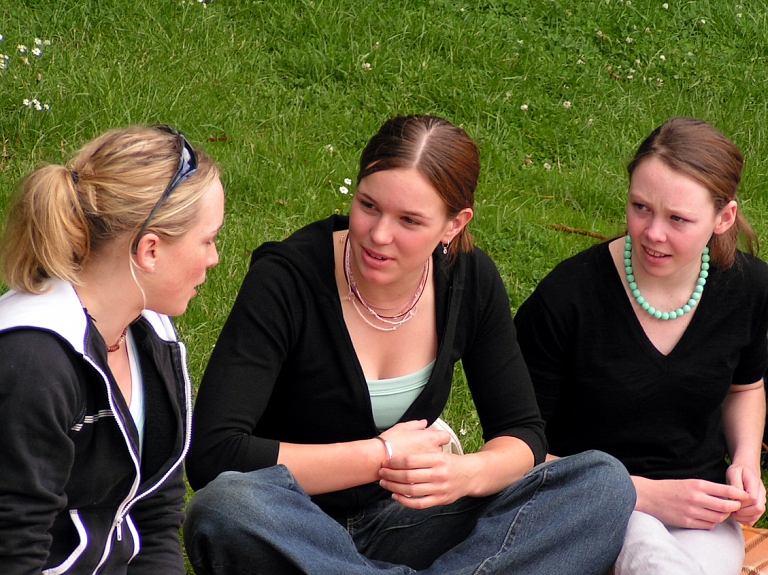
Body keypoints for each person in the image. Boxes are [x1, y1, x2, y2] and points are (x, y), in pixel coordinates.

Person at [183, 114, 634, 575]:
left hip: (406, 521)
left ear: (454, 225)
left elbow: (522, 435)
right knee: (225, 506)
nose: (379, 235)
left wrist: (465, 474)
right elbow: (216, 454)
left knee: (602, 484)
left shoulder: (471, 281)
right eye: (369, 206)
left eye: (409, 221)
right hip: (291, 523)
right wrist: (380, 455)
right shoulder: (287, 280)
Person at [514, 117, 768, 575]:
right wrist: (644, 497)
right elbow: (514, 451)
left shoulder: (749, 289)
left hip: (697, 514)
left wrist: (746, 464)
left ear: (723, 217)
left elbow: (745, 387)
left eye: (678, 219)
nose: (653, 232)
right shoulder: (566, 299)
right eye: (640, 207)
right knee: (647, 548)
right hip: (579, 505)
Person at [0, 125, 225, 574]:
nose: (215, 258)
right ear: (150, 251)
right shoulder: (34, 363)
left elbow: (156, 517)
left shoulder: (151, 335)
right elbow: (13, 552)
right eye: (207, 239)